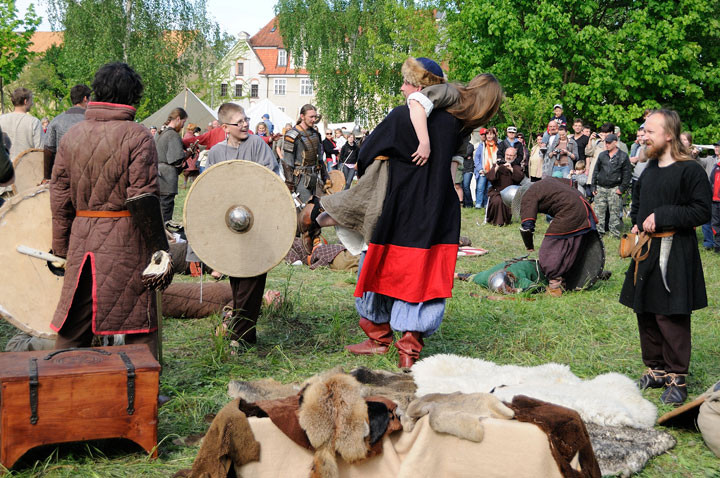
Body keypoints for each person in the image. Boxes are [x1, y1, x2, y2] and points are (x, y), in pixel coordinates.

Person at [324, 58, 503, 369]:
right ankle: (410, 348)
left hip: (399, 206)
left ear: (421, 87)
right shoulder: (457, 126)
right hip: (438, 208)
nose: (404, 88)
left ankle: (379, 339)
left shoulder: (401, 115)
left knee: (380, 267)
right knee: (424, 274)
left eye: (408, 83)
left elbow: (365, 155)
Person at [49, 62, 161, 356]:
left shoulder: (72, 135)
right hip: (127, 239)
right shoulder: (138, 136)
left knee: (75, 324)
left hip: (83, 238)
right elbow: (143, 199)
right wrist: (159, 249)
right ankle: (144, 393)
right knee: (139, 322)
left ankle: (59, 384)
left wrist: (60, 247)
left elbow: (59, 196)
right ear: (132, 95)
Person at [620, 109, 711, 406]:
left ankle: (677, 377)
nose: (643, 135)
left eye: (650, 131)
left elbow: (701, 211)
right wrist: (636, 221)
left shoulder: (691, 170)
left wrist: (662, 215)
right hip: (646, 250)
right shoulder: (649, 169)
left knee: (669, 315)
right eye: (644, 131)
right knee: (644, 309)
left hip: (675, 250)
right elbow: (638, 204)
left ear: (669, 135)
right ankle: (656, 369)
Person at [205, 103, 279, 344]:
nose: (245, 124)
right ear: (225, 127)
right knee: (237, 273)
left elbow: (269, 176)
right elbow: (212, 186)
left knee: (254, 272)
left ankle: (240, 333)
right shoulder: (216, 152)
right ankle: (246, 334)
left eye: (246, 119)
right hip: (230, 223)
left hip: (257, 220)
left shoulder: (256, 143)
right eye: (239, 122)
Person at [519, 177, 598, 297]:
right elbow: (573, 184)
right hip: (583, 205)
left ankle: (555, 286)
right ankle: (583, 273)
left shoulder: (528, 195)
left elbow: (527, 226)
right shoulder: (547, 180)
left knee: (549, 250)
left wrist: (529, 245)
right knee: (572, 245)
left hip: (569, 210)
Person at [0, 87, 44, 196]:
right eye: (31, 100)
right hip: (25, 183)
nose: (32, 103)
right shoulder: (34, 123)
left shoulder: (1, 120)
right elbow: (40, 153)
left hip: (3, 181)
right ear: (25, 101)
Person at [43, 84, 92, 181]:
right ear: (85, 99)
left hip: (62, 175)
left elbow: (48, 150)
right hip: (88, 176)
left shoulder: (56, 121)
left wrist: (47, 177)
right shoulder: (93, 121)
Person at [591, 133, 631, 238]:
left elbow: (627, 174)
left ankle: (615, 233)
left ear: (615, 142)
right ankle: (599, 232)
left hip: (615, 187)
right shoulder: (602, 155)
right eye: (606, 142)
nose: (607, 144)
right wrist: (593, 186)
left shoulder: (623, 156)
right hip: (601, 187)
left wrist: (622, 188)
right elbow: (595, 171)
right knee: (599, 211)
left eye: (609, 143)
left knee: (615, 213)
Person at [155, 107, 188, 222]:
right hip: (167, 178)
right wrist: (188, 154)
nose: (183, 125)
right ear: (178, 119)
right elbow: (177, 160)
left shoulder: (160, 133)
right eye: (183, 122)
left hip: (158, 177)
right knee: (165, 216)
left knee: (159, 213)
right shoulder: (172, 135)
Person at [485, 147, 523, 226]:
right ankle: (495, 221)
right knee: (497, 200)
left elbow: (519, 178)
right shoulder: (498, 164)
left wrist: (511, 169)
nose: (508, 157)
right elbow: (489, 177)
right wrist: (496, 168)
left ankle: (505, 221)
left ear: (515, 156)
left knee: (505, 201)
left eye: (511, 155)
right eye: (507, 154)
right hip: (497, 191)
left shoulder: (516, 167)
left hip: (510, 193)